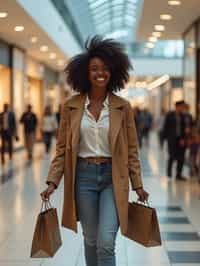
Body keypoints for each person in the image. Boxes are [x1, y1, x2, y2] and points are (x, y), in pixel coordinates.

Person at [40, 36, 149, 266]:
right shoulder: (70, 107)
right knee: (90, 240)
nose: (100, 73)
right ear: (85, 73)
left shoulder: (123, 107)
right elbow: (61, 150)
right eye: (94, 69)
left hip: (113, 178)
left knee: (105, 241)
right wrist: (52, 182)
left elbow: (131, 150)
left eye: (105, 68)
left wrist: (137, 184)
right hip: (83, 178)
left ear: (114, 72)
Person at [162, 100, 187, 180]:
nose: (182, 108)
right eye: (181, 107)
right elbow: (165, 127)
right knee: (171, 156)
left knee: (181, 157)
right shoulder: (169, 115)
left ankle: (178, 174)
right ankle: (169, 173)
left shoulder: (183, 116)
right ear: (177, 106)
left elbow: (183, 128)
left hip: (180, 139)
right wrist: (164, 139)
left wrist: (183, 138)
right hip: (172, 139)